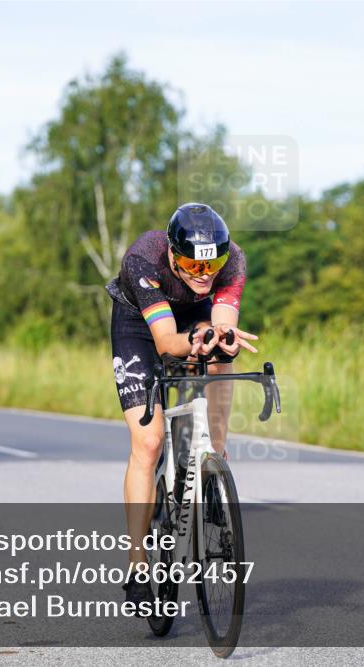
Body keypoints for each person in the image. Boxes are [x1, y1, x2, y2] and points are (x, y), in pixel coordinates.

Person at [105, 203, 258, 607]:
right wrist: (191, 343)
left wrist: (221, 339)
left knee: (221, 353)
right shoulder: (143, 259)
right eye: (192, 265)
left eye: (212, 265)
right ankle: (138, 565)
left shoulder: (232, 259)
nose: (204, 274)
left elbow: (222, 322)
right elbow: (167, 342)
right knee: (149, 442)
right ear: (174, 255)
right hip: (141, 324)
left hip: (194, 316)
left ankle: (214, 460)